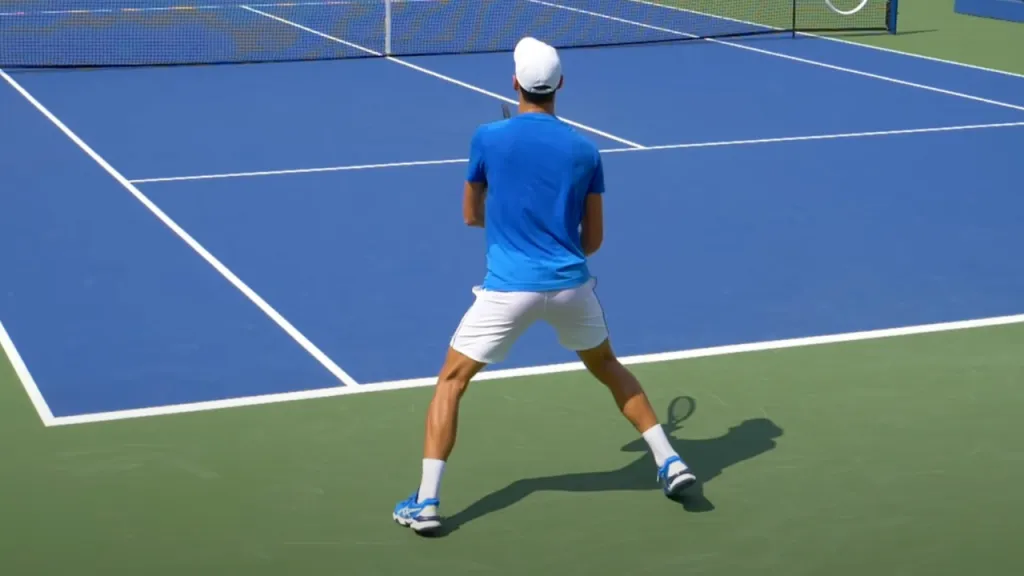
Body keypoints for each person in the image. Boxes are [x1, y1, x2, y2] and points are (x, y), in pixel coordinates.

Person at [392, 37, 696, 535]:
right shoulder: (584, 149)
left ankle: (426, 503)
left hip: (509, 290)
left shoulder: (488, 137)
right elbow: (592, 239)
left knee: (451, 382)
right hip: (572, 287)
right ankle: (669, 461)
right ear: (560, 86)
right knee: (608, 366)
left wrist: (505, 204)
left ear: (515, 83)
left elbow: (471, 216)